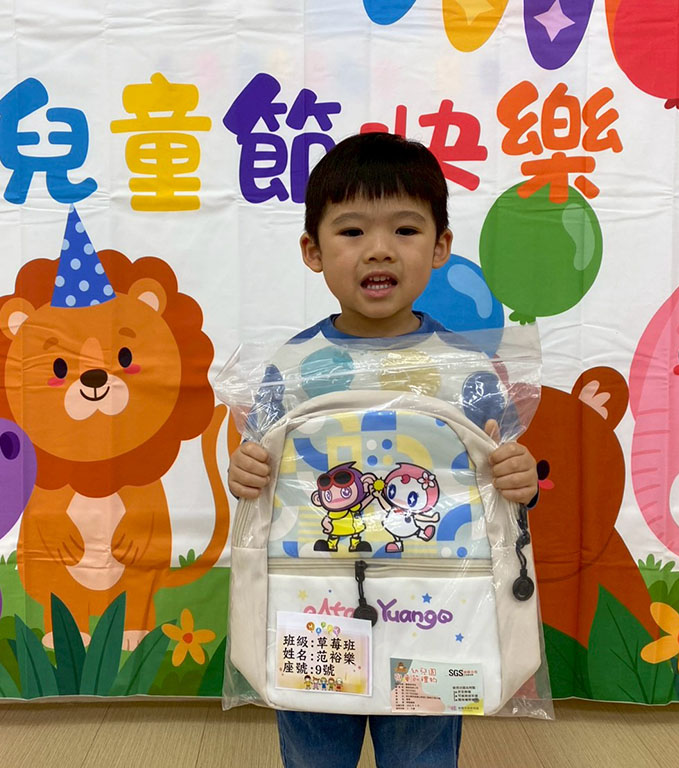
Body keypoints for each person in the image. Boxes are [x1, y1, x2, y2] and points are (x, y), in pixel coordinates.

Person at [227, 131, 539, 768]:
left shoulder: (468, 370)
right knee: (315, 753)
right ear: (313, 251)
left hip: (438, 611)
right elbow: (258, 475)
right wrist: (245, 469)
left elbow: (503, 486)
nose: (379, 249)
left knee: (420, 756)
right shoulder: (291, 367)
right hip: (313, 611)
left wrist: (520, 478)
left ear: (440, 246)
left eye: (405, 229)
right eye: (351, 231)